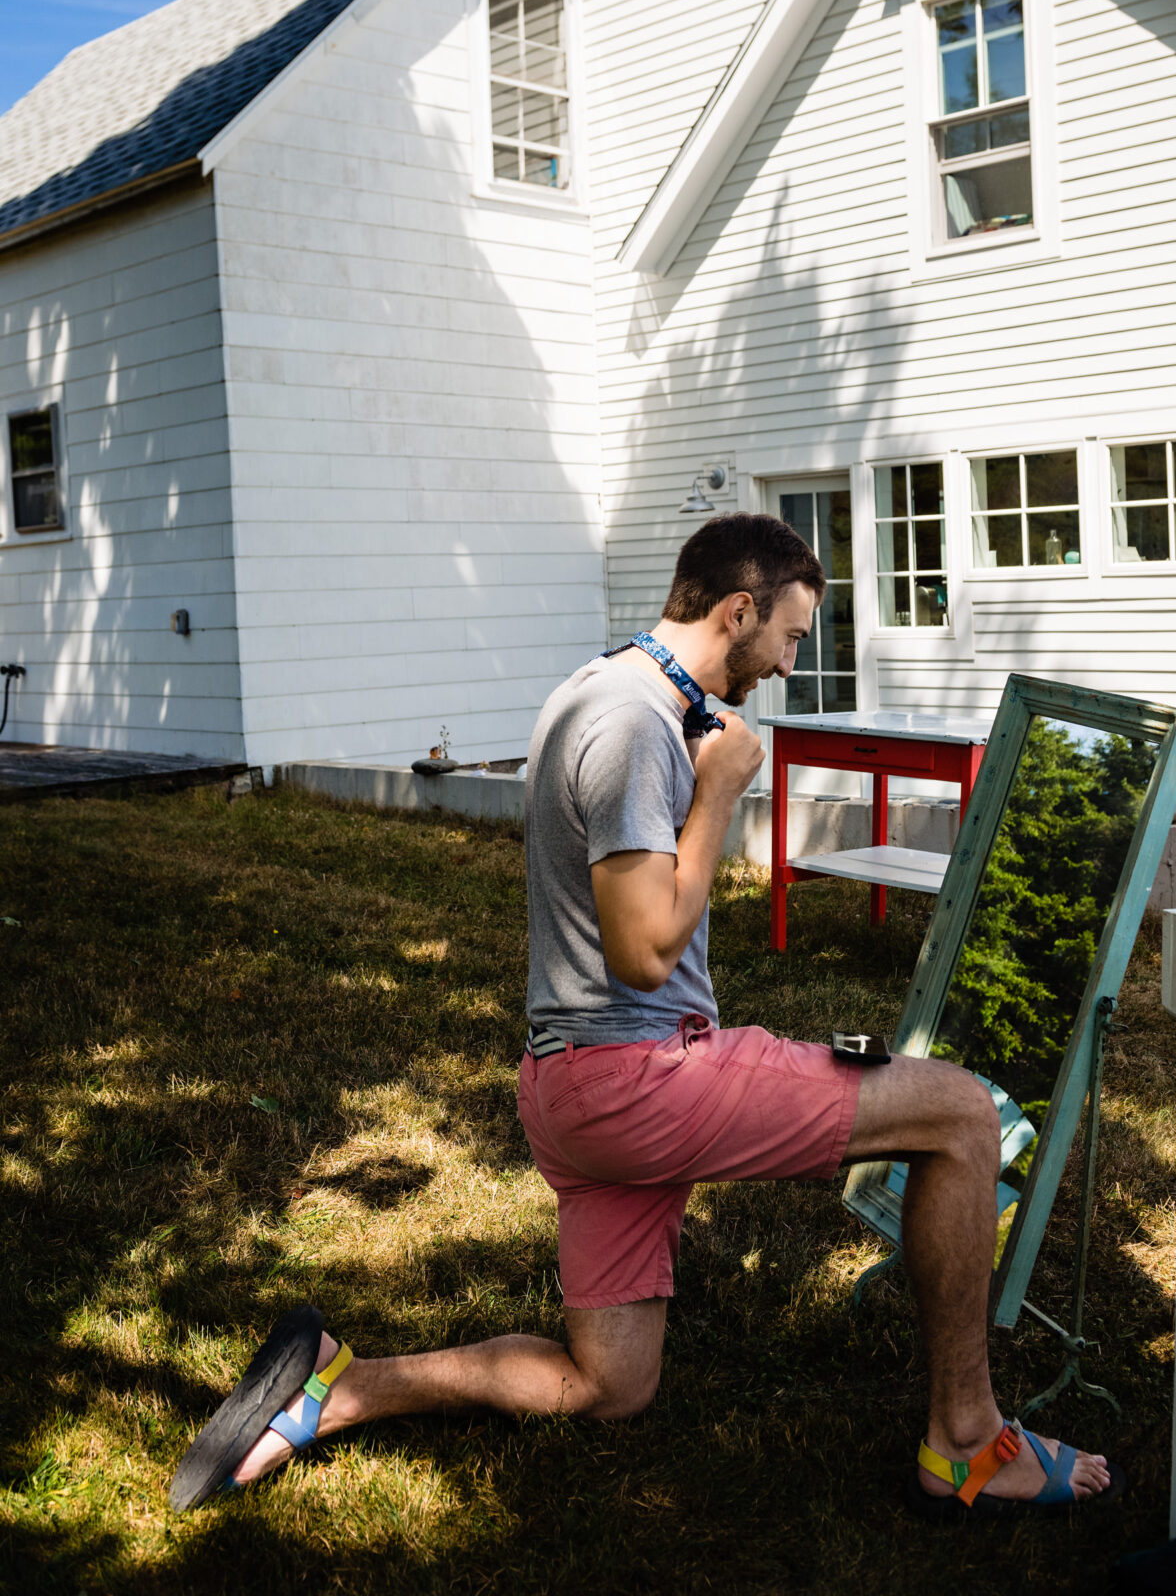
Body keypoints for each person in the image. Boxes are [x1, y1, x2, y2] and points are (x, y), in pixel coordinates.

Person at [169, 513, 1121, 1519]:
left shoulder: (601, 683)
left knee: (610, 1383)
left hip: (574, 1089)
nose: (791, 662)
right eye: (790, 637)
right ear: (737, 609)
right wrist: (718, 795)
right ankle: (966, 1439)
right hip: (639, 1080)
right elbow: (641, 946)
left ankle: (336, 1384)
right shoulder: (635, 726)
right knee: (962, 1112)